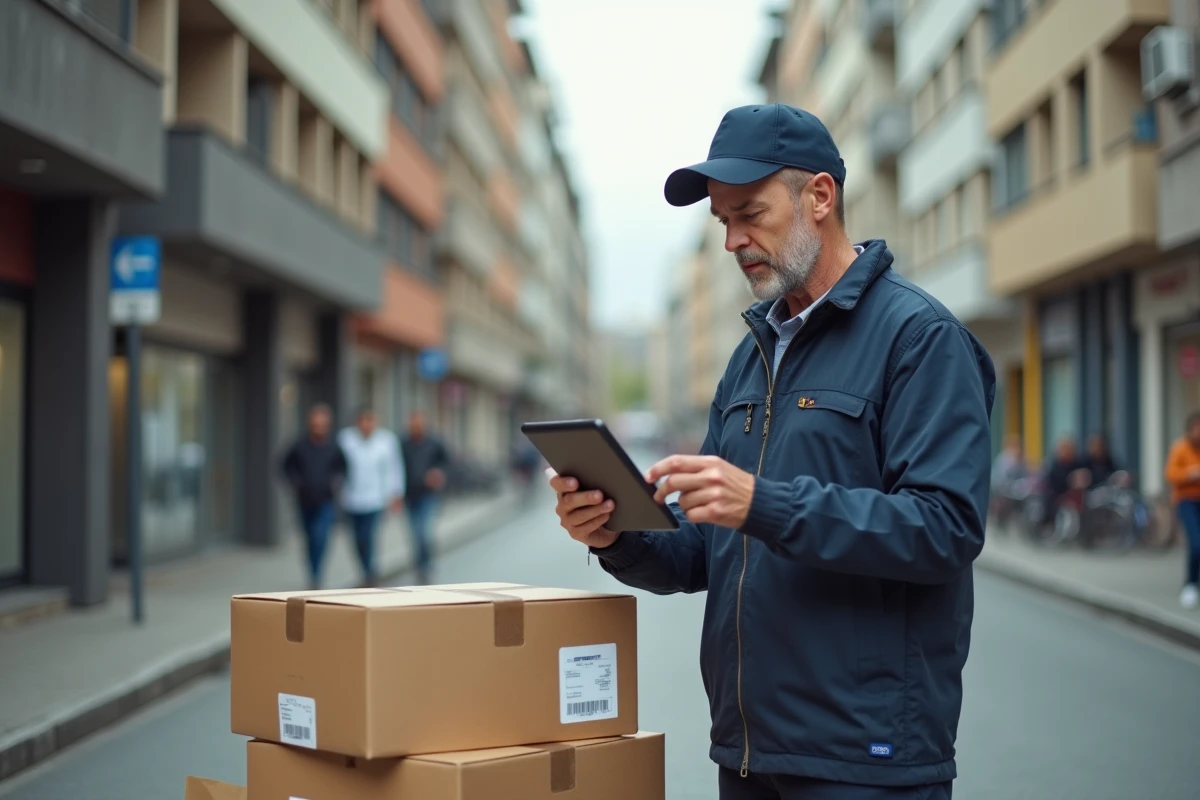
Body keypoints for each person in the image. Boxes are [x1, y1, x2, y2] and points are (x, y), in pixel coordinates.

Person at [549, 104, 994, 799]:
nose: (733, 240)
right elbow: (701, 552)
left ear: (820, 196)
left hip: (867, 761)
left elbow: (944, 529)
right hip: (749, 755)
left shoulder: (919, 338)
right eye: (723, 221)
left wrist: (761, 502)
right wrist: (616, 534)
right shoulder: (749, 358)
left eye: (750, 213)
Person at [338, 407, 406, 588]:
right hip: (351, 499)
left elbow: (393, 469)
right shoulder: (345, 440)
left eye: (370, 420)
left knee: (369, 537)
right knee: (357, 539)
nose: (366, 425)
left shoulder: (387, 441)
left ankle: (370, 572)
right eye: (363, 421)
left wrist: (395, 494)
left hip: (376, 499)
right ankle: (365, 569)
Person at [281, 404, 347, 589]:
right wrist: (295, 482)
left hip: (326, 500)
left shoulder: (334, 446)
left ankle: (317, 574)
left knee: (321, 536)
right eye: (316, 423)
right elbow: (286, 466)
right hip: (304, 500)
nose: (319, 427)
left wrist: (337, 482)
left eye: (322, 423)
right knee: (309, 537)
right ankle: (312, 571)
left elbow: (343, 468)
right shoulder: (299, 445)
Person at [400, 411, 450, 585]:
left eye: (419, 423)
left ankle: (426, 565)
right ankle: (419, 564)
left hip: (428, 496)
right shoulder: (403, 444)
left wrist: (438, 474)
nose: (416, 426)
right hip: (409, 495)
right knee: (415, 533)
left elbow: (446, 463)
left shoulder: (435, 443)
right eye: (413, 423)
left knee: (424, 532)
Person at [1164, 412, 1200, 609]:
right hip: (1186, 500)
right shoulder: (1180, 448)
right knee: (1196, 543)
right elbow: (1171, 473)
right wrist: (1190, 473)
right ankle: (1191, 584)